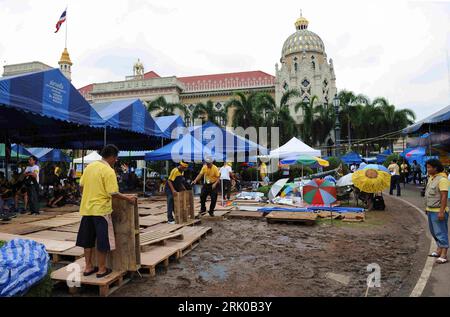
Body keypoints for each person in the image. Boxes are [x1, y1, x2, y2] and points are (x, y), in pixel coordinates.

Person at [75, 145, 136, 278]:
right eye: (116, 158)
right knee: (103, 240)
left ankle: (88, 266)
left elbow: (81, 187)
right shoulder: (108, 171)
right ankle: (102, 269)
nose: (116, 161)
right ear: (113, 157)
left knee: (87, 240)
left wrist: (87, 196)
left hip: (86, 209)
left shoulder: (89, 167)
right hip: (101, 210)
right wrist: (128, 198)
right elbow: (113, 192)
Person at [424, 159, 449, 264]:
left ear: (436, 168)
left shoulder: (442, 179)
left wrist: (442, 212)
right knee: (434, 232)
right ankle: (439, 250)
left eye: (429, 167)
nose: (427, 169)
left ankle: (444, 254)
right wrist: (426, 208)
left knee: (441, 232)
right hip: (430, 210)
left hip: (438, 210)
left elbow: (444, 196)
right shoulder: (431, 178)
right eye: (427, 167)